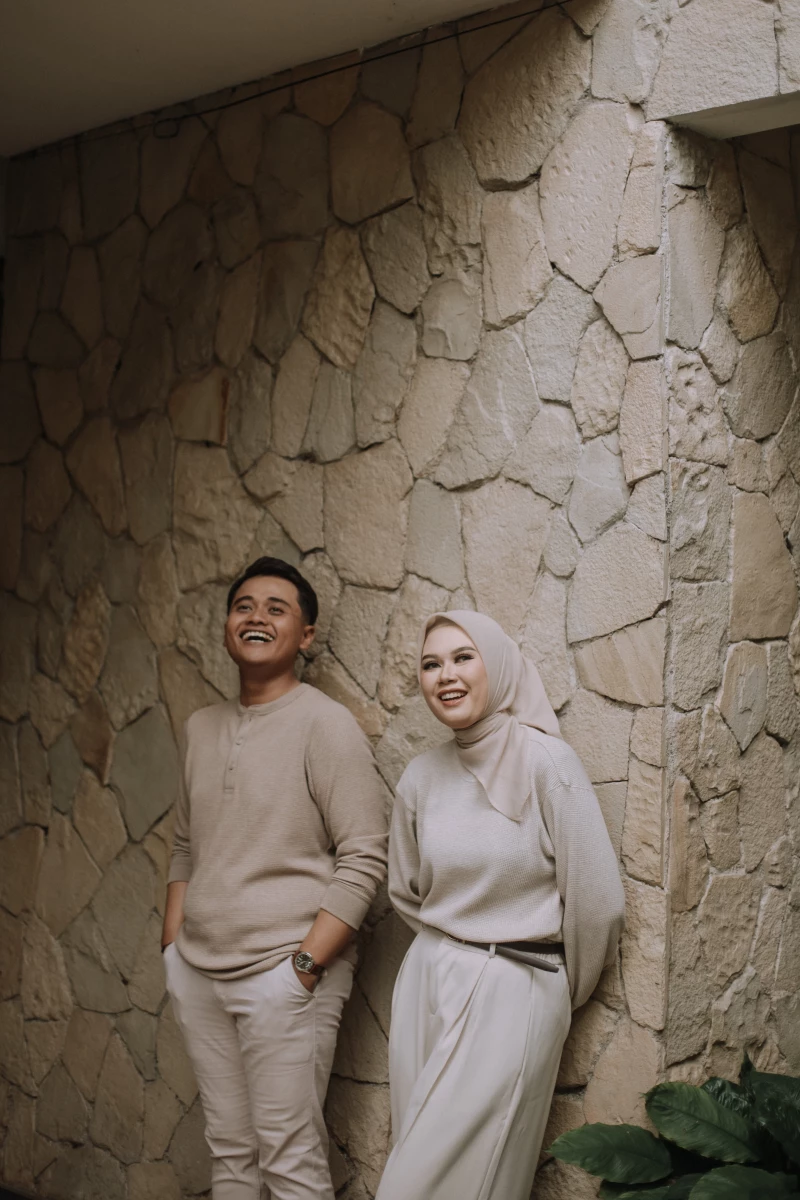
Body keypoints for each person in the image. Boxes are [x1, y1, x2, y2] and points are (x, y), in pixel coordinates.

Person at [376, 610, 625, 1200]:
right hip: (429, 976)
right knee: (424, 1157)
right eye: (431, 664)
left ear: (498, 664)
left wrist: (549, 990)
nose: (446, 675)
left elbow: (597, 902)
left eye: (463, 657)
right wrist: (448, 945)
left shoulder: (548, 762)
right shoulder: (421, 776)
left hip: (515, 980)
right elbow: (405, 887)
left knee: (427, 1185)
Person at [161, 556, 388, 1200]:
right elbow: (184, 844)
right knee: (230, 1152)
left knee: (289, 1161)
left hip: (283, 976)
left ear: (305, 636)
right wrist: (173, 949)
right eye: (244, 606)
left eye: (275, 608)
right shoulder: (201, 728)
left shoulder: (325, 724)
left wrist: (303, 970)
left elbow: (365, 856)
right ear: (227, 626)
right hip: (199, 972)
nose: (256, 617)